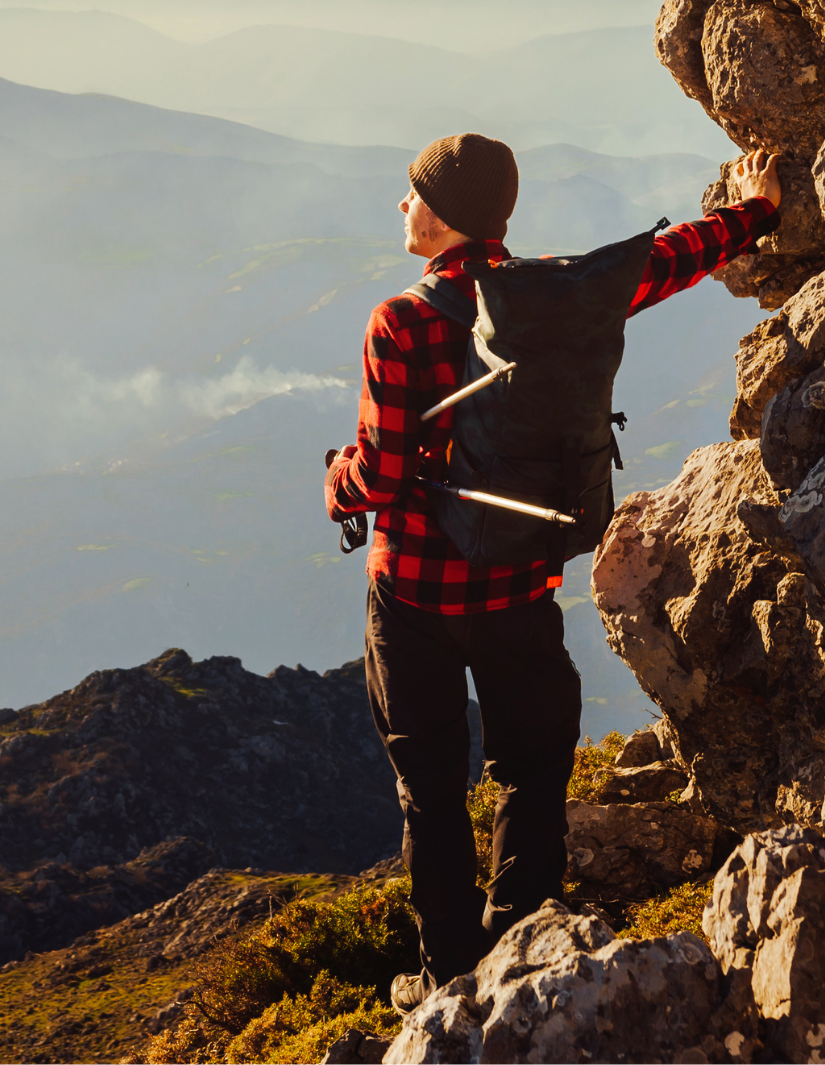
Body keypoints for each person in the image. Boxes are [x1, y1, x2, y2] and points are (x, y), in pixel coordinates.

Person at [323, 133, 782, 1012]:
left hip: (415, 591)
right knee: (533, 770)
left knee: (430, 790)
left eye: (412, 193)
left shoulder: (401, 320)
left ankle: (450, 974)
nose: (401, 206)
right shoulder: (558, 298)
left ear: (444, 211)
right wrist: (753, 214)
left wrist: (335, 480)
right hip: (520, 585)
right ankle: (524, 934)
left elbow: (378, 477)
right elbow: (664, 261)